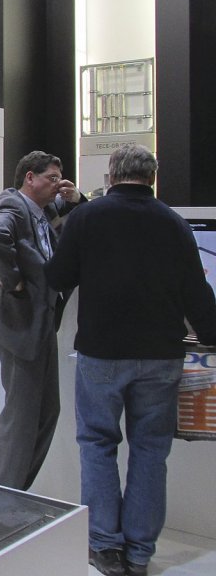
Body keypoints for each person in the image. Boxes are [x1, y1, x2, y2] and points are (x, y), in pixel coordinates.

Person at [45, 145, 216, 576]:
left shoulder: (87, 217)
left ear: (111, 174)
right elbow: (196, 291)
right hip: (161, 355)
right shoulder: (174, 223)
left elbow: (58, 276)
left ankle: (105, 546)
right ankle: (140, 553)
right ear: (152, 177)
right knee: (151, 451)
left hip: (102, 352)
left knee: (97, 444)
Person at [0, 150, 84, 491]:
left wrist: (76, 198)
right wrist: (13, 280)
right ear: (29, 178)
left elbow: (83, 216)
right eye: (52, 178)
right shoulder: (13, 204)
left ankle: (18, 488)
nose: (57, 184)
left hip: (41, 323)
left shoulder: (44, 210)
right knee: (22, 416)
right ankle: (4, 492)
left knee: (47, 412)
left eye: (59, 178)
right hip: (19, 324)